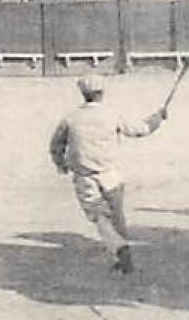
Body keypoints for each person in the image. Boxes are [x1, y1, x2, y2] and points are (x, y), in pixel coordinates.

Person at [49, 74, 168, 274]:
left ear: (83, 94)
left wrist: (60, 164)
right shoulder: (112, 115)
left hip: (85, 176)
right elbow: (141, 130)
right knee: (117, 215)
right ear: (102, 93)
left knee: (98, 216)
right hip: (111, 174)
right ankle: (123, 254)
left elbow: (55, 146)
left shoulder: (71, 118)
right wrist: (158, 117)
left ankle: (120, 249)